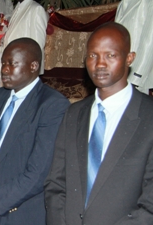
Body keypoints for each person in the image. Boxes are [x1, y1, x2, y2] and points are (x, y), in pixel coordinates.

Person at [44, 22, 153, 224]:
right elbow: (56, 183)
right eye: (93, 56)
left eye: (110, 55)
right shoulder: (74, 113)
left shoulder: (148, 116)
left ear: (129, 58)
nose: (100, 64)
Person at [0, 38, 69, 225]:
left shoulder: (51, 105)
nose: (4, 69)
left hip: (19, 213)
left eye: (13, 64)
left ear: (33, 66)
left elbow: (38, 173)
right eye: (4, 63)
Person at [115, 0, 153, 94]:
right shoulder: (124, 2)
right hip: (121, 71)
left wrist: (136, 77)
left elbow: (148, 41)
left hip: (138, 74)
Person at [3, 0, 48, 75]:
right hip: (13, 68)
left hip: (25, 71)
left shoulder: (36, 9)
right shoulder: (18, 8)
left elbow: (37, 45)